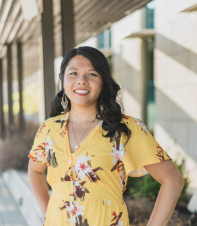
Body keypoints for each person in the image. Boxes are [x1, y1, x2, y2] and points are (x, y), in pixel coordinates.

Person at [28, 46, 185, 226]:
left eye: (92, 74)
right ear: (63, 79)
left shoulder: (125, 128)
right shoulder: (48, 128)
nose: (82, 80)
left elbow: (173, 180)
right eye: (73, 73)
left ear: (103, 82)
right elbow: (35, 170)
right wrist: (47, 211)